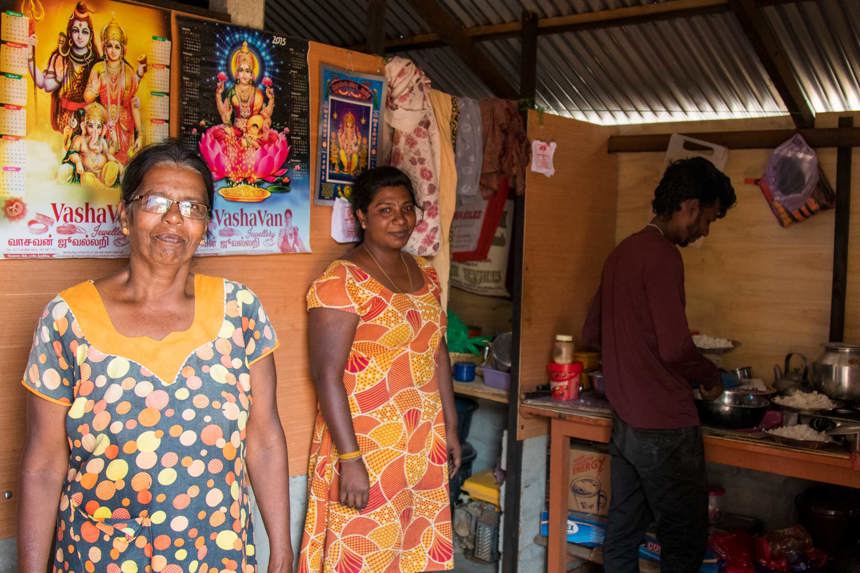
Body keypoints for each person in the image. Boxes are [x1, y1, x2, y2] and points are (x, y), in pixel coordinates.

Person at [17, 141, 292, 572]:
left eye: (192, 207)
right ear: (124, 216)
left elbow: (265, 438)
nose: (173, 218)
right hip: (102, 554)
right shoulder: (67, 318)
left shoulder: (239, 310)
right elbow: (44, 463)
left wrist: (282, 547)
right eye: (157, 202)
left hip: (215, 553)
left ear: (205, 226)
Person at [298, 166, 460, 573]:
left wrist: (451, 429)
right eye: (385, 209)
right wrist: (349, 459)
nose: (400, 219)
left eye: (407, 209)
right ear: (362, 217)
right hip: (366, 443)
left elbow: (437, 352)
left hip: (422, 440)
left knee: (414, 549)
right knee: (365, 548)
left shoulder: (426, 273)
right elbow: (326, 376)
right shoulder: (341, 281)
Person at [582, 157, 737, 573]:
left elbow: (592, 332)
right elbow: (673, 349)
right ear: (689, 206)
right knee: (683, 541)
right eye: (707, 219)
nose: (704, 231)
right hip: (665, 426)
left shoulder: (622, 253)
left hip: (625, 421)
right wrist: (709, 375)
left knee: (622, 532)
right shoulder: (664, 256)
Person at [28, 1, 99, 135]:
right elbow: (46, 85)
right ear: (70, 32)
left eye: (84, 32)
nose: (80, 36)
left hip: (89, 122)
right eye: (75, 30)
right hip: (64, 118)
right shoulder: (61, 56)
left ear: (90, 36)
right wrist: (30, 57)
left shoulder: (96, 62)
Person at [84, 17, 146, 164]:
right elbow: (87, 98)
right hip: (103, 123)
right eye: (110, 46)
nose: (113, 51)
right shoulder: (98, 68)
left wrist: (140, 134)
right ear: (105, 48)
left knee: (123, 167)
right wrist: (95, 89)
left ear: (123, 50)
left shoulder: (129, 72)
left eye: (117, 47)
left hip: (125, 125)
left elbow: (133, 103)